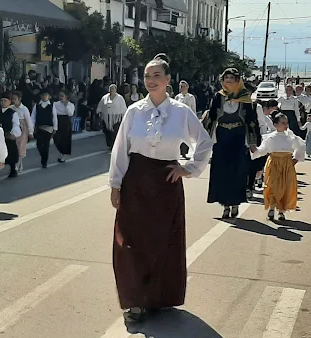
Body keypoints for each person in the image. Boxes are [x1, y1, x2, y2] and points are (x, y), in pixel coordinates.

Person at [108, 53, 213, 323]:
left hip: (166, 183)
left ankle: (160, 296)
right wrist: (115, 184)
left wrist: (187, 168)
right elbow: (120, 150)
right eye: (147, 76)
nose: (151, 80)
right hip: (136, 181)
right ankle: (134, 301)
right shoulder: (134, 112)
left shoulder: (180, 112)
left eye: (157, 76)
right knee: (129, 242)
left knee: (163, 243)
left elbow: (203, 142)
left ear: (168, 80)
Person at [205, 68, 260, 218]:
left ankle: (235, 203)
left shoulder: (245, 98)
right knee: (222, 172)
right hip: (222, 137)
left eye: (231, 78)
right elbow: (211, 117)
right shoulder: (218, 97)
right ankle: (225, 205)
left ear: (237, 81)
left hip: (238, 137)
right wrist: (206, 141)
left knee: (237, 172)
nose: (228, 80)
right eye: (226, 78)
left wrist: (252, 142)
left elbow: (251, 121)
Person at [250, 113, 306, 221]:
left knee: (286, 186)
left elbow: (301, 146)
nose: (286, 125)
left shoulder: (291, 137)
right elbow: (262, 150)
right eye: (283, 123)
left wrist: (295, 159)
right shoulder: (270, 137)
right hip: (273, 163)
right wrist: (254, 150)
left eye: (286, 123)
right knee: (272, 185)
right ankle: (271, 208)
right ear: (275, 125)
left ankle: (281, 211)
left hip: (287, 164)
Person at [0, 91, 21, 177]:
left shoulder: (12, 113)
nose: (3, 102)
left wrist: (14, 134)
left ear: (9, 102)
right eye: (1, 101)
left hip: (8, 136)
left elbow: (16, 124)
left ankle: (13, 169)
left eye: (5, 101)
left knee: (11, 153)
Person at [32, 89, 57, 168]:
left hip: (48, 128)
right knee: (39, 144)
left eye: (46, 95)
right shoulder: (37, 106)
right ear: (41, 96)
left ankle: (44, 161)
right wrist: (31, 128)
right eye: (43, 95)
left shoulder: (52, 106)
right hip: (39, 128)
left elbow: (54, 117)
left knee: (46, 145)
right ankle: (43, 156)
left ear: (49, 97)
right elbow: (33, 117)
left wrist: (55, 128)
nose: (44, 97)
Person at [97, 84, 127, 149]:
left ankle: (114, 145)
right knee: (107, 132)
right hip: (106, 118)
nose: (112, 90)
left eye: (113, 89)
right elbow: (101, 105)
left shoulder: (120, 98)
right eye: (111, 89)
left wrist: (124, 116)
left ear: (116, 90)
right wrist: (99, 112)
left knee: (115, 132)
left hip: (117, 118)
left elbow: (123, 108)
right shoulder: (105, 97)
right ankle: (110, 144)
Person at [11, 91, 34, 173]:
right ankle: (18, 164)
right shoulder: (11, 108)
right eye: (12, 99)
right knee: (14, 147)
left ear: (19, 99)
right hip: (14, 128)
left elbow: (29, 120)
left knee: (21, 147)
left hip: (23, 129)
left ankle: (18, 165)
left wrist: (31, 132)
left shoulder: (24, 109)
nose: (13, 100)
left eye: (15, 99)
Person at [175, 80, 198, 160]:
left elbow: (193, 109)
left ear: (187, 87)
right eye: (181, 86)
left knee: (186, 136)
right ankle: (178, 152)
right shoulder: (177, 97)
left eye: (184, 86)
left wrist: (194, 121)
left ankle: (184, 152)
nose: (182, 88)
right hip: (179, 120)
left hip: (187, 119)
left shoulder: (191, 97)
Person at [53, 90, 75, 162]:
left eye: (62, 96)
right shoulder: (56, 104)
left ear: (66, 97)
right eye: (60, 96)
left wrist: (66, 105)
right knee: (56, 138)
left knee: (65, 139)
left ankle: (63, 155)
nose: (61, 97)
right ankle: (61, 151)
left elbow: (70, 114)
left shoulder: (71, 105)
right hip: (58, 120)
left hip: (66, 121)